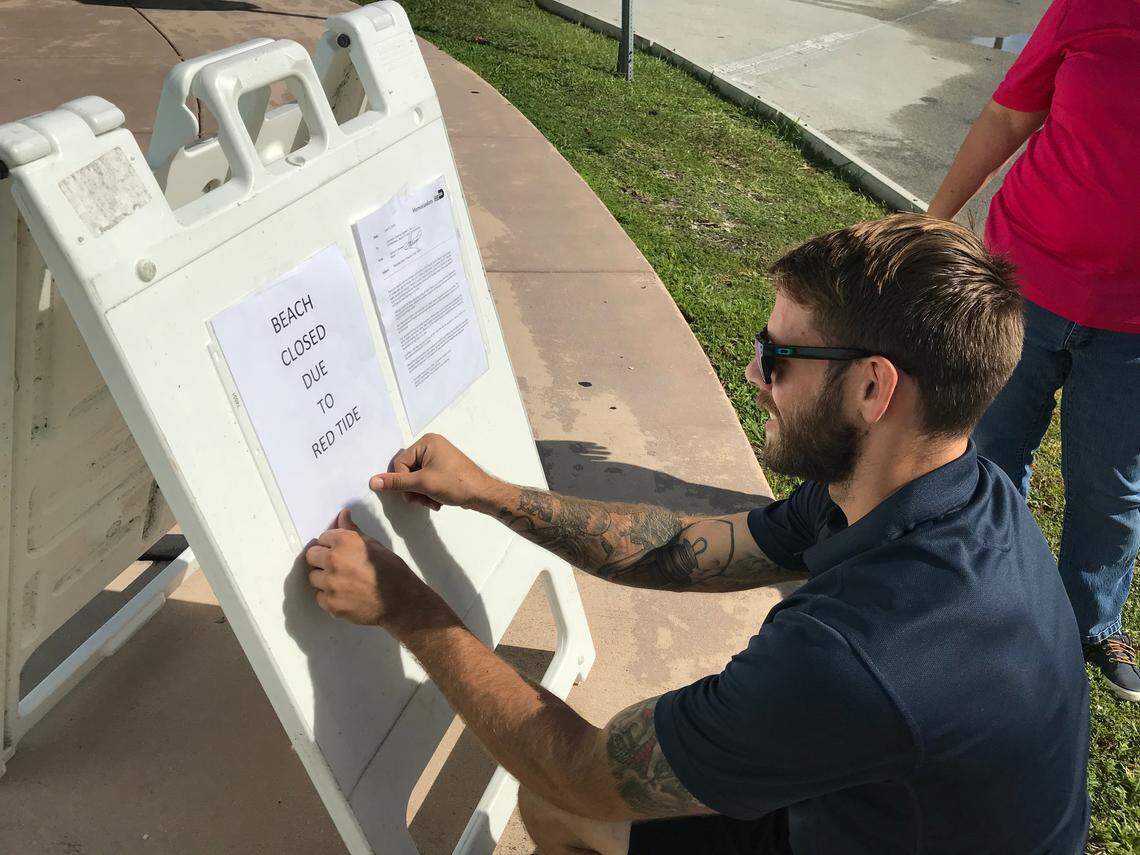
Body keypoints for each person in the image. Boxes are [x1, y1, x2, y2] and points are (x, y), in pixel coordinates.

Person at [305, 215, 1089, 854]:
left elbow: (582, 770)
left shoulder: (855, 655)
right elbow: (683, 549)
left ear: (874, 387)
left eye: (778, 354)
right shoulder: (945, 487)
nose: (753, 372)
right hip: (884, 813)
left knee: (561, 801)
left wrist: (409, 609)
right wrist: (492, 493)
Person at [928, 0, 1140, 700]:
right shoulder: (1090, 8)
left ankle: (1090, 619)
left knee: (1110, 483)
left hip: (1132, 323)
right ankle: (986, 589)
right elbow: (1009, 116)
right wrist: (934, 220)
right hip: (1027, 276)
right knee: (993, 445)